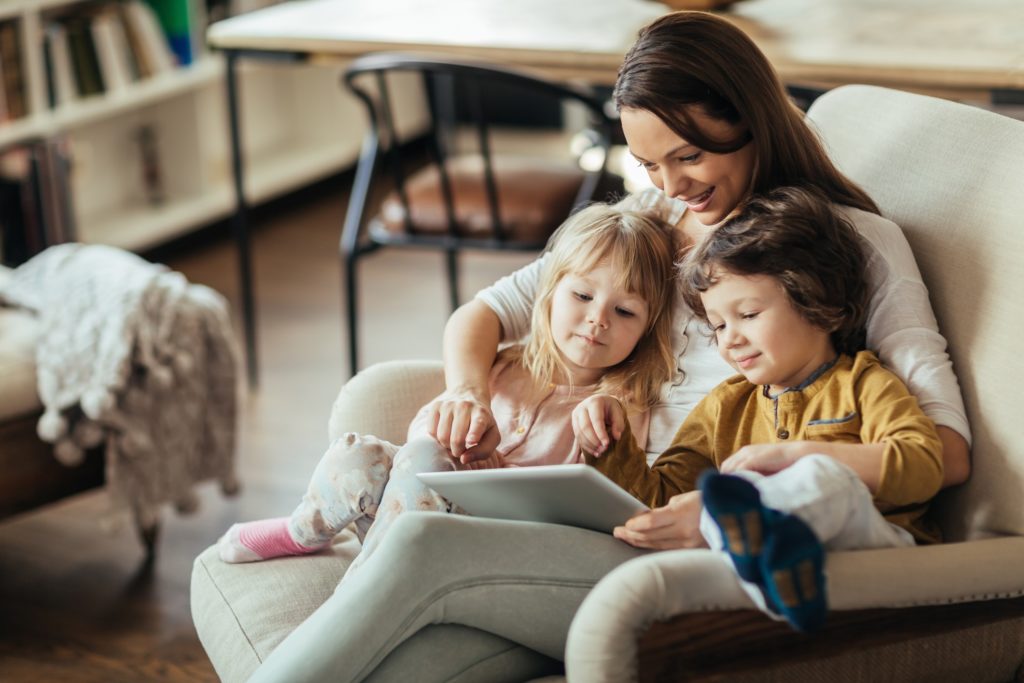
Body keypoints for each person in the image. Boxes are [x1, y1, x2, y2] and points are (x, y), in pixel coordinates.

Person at [247, 11, 971, 682]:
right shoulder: (650, 221)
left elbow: (948, 450)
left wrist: (735, 501)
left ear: (749, 118)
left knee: (422, 543)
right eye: (649, 163)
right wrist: (466, 390)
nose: (670, 185)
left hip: (702, 540)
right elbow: (488, 312)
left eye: (687, 156)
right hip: (606, 504)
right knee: (422, 642)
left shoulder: (857, 244)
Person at [218, 204, 678, 574]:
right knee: (363, 454)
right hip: (410, 510)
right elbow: (427, 430)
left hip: (486, 539)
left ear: (647, 329)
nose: (598, 319)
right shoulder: (504, 365)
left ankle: (367, 588)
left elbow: (577, 503)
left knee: (425, 461)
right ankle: (303, 532)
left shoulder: (616, 408)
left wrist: (487, 467)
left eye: (625, 312)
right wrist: (457, 433)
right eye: (582, 296)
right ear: (550, 295)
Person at [579, 186, 943, 632]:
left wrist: (799, 455)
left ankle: (767, 543)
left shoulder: (864, 382)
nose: (729, 338)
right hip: (769, 580)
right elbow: (661, 499)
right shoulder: (724, 406)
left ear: (815, 301)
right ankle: (771, 568)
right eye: (718, 325)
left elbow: (925, 464)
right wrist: (610, 441)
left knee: (821, 477)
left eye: (748, 315)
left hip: (876, 556)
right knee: (717, 498)